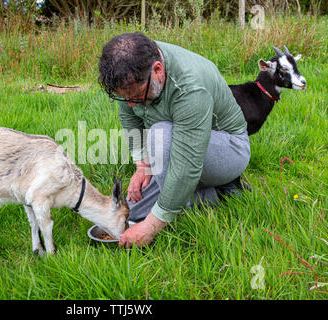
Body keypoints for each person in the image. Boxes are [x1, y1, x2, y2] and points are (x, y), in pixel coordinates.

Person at [98, 32, 251, 249]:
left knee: (161, 137)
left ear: (158, 70)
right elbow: (129, 116)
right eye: (125, 97)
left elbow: (186, 164)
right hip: (178, 142)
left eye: (137, 96)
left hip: (228, 148)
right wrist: (143, 165)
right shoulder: (132, 69)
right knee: (133, 209)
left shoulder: (191, 86)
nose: (131, 104)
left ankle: (218, 185)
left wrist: (150, 227)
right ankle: (215, 193)